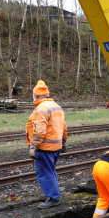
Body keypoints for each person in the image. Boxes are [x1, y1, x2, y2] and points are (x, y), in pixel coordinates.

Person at [26, 80, 67, 209]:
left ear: (36, 95)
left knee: (44, 173)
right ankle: (51, 194)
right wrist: (63, 142)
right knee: (50, 171)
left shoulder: (41, 108)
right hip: (56, 147)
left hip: (44, 148)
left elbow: (40, 130)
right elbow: (64, 127)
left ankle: (53, 198)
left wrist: (34, 146)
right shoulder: (56, 106)